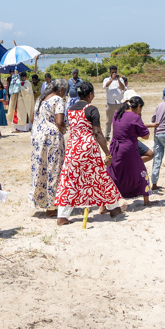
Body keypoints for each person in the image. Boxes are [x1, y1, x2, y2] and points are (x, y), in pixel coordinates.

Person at [54, 81, 124, 224]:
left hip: (73, 149)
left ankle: (62, 216)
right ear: (90, 94)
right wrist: (107, 154)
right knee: (100, 178)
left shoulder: (71, 109)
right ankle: (114, 208)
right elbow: (97, 133)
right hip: (88, 149)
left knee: (69, 181)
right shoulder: (91, 109)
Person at [29, 81, 67, 214]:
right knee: (54, 170)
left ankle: (40, 200)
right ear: (61, 89)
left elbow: (32, 119)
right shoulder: (58, 99)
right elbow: (60, 121)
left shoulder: (40, 99)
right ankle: (52, 207)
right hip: (52, 139)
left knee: (40, 169)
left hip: (37, 138)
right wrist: (63, 130)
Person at [107, 96, 151, 206]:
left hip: (115, 148)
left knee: (114, 173)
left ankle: (105, 204)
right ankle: (146, 201)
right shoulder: (134, 117)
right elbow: (146, 136)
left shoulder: (117, 113)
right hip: (128, 149)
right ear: (139, 106)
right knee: (140, 170)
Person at [101, 66, 127, 139]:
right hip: (110, 103)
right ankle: (107, 136)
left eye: (115, 72)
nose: (114, 73)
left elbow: (123, 88)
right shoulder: (106, 79)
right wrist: (112, 79)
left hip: (119, 102)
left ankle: (121, 134)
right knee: (109, 120)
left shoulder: (120, 79)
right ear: (110, 72)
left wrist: (118, 79)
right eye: (112, 72)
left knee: (121, 119)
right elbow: (104, 86)